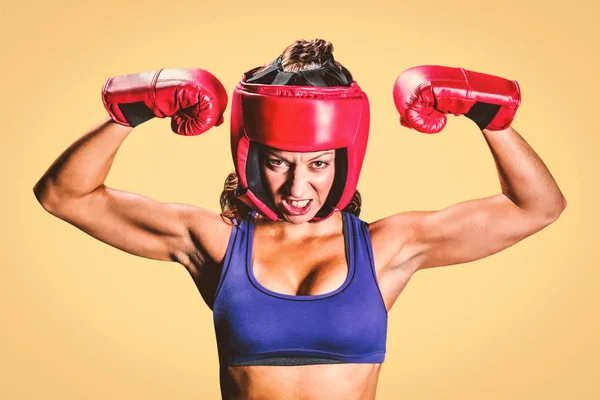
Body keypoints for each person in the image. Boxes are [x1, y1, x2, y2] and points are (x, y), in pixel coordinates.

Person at [33, 39, 566, 400]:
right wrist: (132, 112)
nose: (297, 186)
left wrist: (488, 117)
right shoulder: (214, 243)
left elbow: (536, 207)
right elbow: (64, 195)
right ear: (249, 155)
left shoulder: (388, 247)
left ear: (344, 158)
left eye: (316, 164)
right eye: (277, 161)